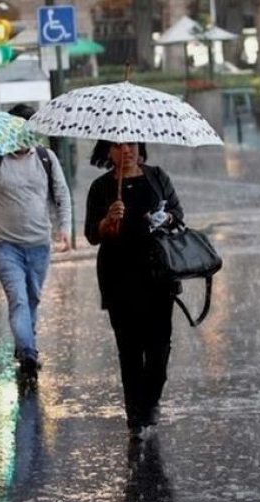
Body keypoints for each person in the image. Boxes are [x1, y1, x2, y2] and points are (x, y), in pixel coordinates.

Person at [0, 103, 72, 382]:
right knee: (19, 300)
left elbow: (61, 194)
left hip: (39, 244)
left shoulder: (46, 158)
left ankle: (25, 345)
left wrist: (65, 229)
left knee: (32, 299)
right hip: (5, 246)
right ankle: (28, 354)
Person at [84, 141, 183, 441]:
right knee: (129, 349)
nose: (126, 150)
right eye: (118, 146)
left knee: (159, 347)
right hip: (119, 277)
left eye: (131, 144)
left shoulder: (157, 176)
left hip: (158, 274)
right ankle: (135, 416)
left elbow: (177, 212)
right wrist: (107, 221)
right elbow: (91, 234)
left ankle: (151, 400)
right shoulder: (101, 187)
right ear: (108, 152)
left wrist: (166, 217)